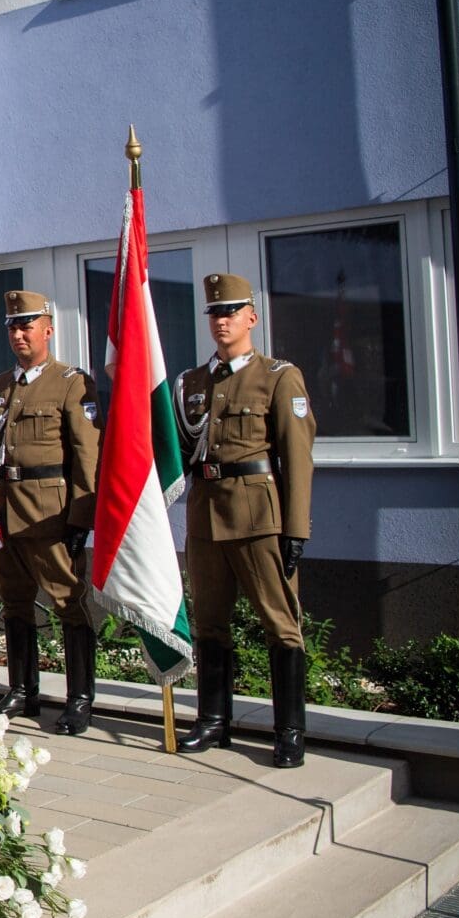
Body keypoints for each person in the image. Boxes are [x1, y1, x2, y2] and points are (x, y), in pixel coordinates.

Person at [174, 273, 315, 768]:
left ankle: (289, 730)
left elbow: (297, 458)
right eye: (214, 312)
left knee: (280, 625)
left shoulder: (277, 377)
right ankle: (214, 720)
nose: (222, 320)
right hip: (206, 516)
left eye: (231, 312)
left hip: (258, 518)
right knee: (210, 623)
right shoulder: (192, 382)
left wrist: (295, 529)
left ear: (251, 318)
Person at [0, 290, 101, 735]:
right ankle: (22, 689)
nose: (18, 333)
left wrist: (81, 519)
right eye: (13, 326)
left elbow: (86, 455)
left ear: (47, 329)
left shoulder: (71, 382)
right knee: (14, 600)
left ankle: (80, 697)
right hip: (6, 510)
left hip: (51, 513)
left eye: (26, 325)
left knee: (69, 603)